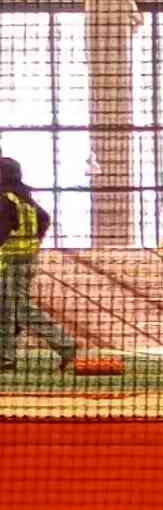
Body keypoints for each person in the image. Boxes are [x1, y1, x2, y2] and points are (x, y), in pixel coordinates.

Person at [0, 157, 76, 373]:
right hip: (26, 260)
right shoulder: (23, 197)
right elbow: (44, 218)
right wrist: (35, 240)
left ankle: (65, 345)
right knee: (7, 309)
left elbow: (2, 229)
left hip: (11, 261)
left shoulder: (5, 198)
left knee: (17, 308)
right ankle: (5, 357)